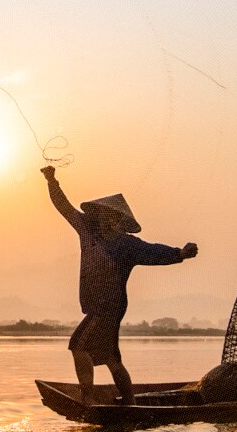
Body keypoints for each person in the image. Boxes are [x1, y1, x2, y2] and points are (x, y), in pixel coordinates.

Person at [43, 164, 197, 406]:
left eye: (107, 216)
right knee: (112, 358)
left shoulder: (127, 245)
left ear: (116, 220)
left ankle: (87, 397)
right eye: (100, 215)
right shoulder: (87, 230)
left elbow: (154, 252)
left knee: (78, 345)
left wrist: (181, 253)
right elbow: (64, 206)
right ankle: (129, 403)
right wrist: (51, 180)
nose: (102, 220)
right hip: (97, 307)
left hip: (110, 307)